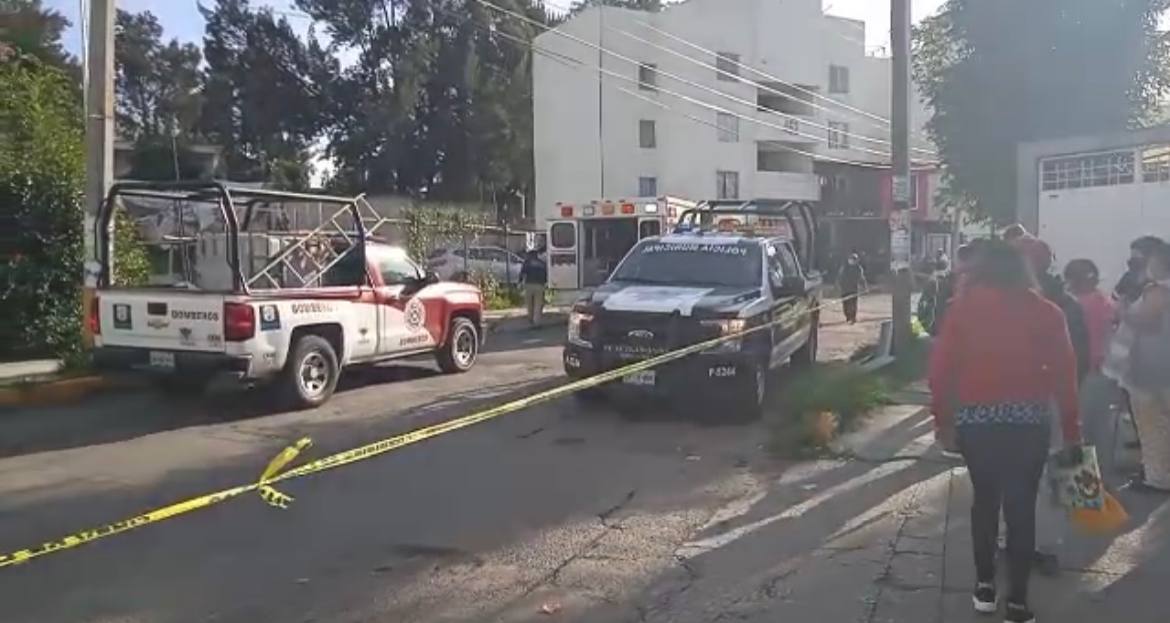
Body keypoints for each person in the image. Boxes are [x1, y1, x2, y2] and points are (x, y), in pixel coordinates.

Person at [929, 240, 1081, 623]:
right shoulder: (1047, 312)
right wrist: (1071, 427)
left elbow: (941, 372)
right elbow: (1065, 374)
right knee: (1021, 509)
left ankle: (983, 588)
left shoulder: (961, 311)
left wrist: (942, 421)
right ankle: (1017, 602)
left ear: (980, 271)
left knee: (984, 502)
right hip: (1028, 422)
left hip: (977, 423)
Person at [1118, 240, 1170, 493]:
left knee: (1151, 427)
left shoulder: (1158, 290)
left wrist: (1124, 312)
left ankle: (1157, 477)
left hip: (1151, 370)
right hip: (1159, 368)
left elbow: (1146, 322)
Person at [1114, 235, 1164, 306]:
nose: (1131, 260)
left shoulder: (1160, 285)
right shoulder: (1127, 278)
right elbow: (1113, 300)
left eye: (1136, 256)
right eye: (1132, 256)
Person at [519, 248, 547, 326]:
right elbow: (545, 275)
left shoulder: (527, 263)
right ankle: (536, 322)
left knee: (529, 304)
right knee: (538, 304)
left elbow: (522, 273)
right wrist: (545, 283)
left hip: (529, 285)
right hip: (540, 285)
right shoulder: (542, 263)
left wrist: (520, 282)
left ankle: (531, 319)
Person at [837, 253, 867, 324]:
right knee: (846, 304)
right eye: (851, 259)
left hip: (853, 289)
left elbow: (862, 278)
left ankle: (853, 317)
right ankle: (848, 316)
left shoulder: (858, 268)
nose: (852, 261)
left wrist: (864, 287)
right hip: (844, 289)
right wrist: (838, 286)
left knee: (853, 304)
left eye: (854, 259)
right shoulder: (844, 267)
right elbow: (839, 277)